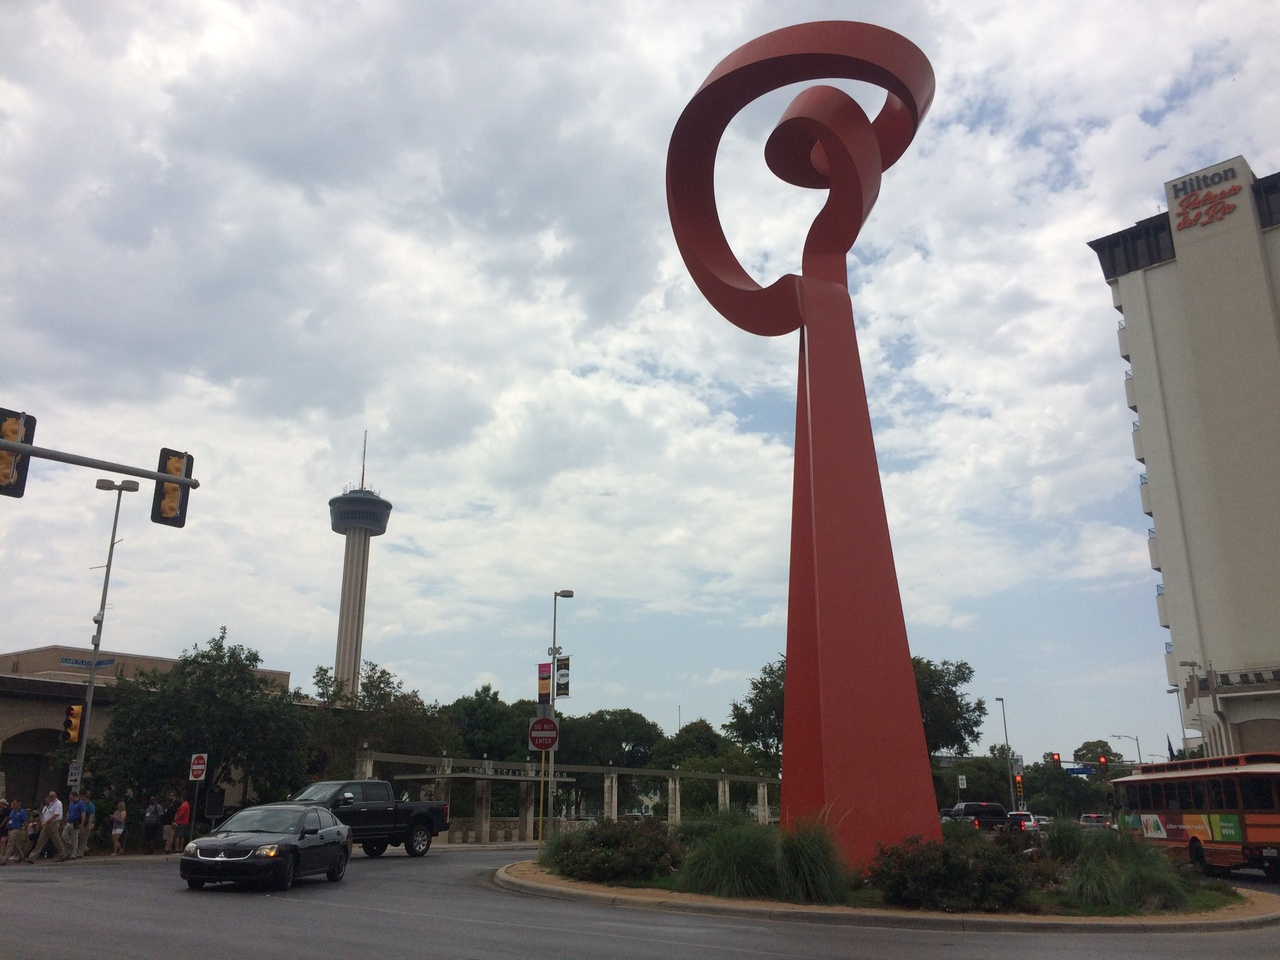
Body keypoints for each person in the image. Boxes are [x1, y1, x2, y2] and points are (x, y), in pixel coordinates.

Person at [24, 791, 68, 862]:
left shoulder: (58, 803)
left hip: (53, 823)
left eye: (52, 796)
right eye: (50, 796)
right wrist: (42, 822)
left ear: (56, 796)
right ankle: (32, 857)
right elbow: (45, 815)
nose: (51, 798)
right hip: (46, 824)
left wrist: (47, 821)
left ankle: (62, 855)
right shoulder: (48, 806)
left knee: (57, 840)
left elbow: (56, 814)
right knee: (40, 841)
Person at [3, 799, 29, 863]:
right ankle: (22, 856)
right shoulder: (12, 811)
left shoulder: (22, 812)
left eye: (14, 804)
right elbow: (10, 819)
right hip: (10, 829)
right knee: (15, 844)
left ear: (18, 804)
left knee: (10, 844)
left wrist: (26, 832)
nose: (13, 806)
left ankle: (5, 859)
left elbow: (25, 822)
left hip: (16, 829)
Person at [62, 790, 86, 859]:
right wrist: (66, 821)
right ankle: (70, 848)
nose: (70, 799)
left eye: (71, 797)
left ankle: (73, 854)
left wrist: (82, 823)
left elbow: (83, 814)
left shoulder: (80, 803)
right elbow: (69, 813)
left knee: (74, 839)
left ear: (75, 797)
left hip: (75, 822)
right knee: (64, 836)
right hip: (69, 822)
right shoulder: (71, 804)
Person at [78, 789, 96, 857]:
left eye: (84, 799)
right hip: (83, 823)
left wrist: (89, 824)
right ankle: (85, 848)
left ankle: (80, 852)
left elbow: (91, 816)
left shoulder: (91, 805)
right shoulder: (82, 805)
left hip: (89, 823)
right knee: (81, 836)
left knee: (84, 837)